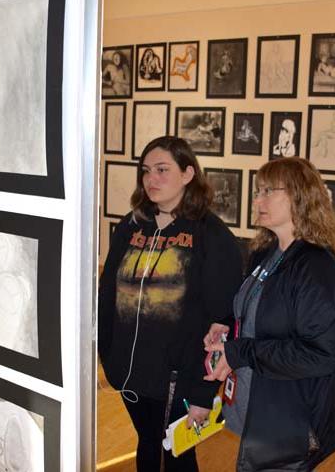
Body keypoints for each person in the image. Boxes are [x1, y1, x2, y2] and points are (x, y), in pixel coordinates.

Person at [99, 136, 243, 471]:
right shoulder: (131, 225)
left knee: (177, 456)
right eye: (147, 171)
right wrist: (108, 353)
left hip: (180, 377)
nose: (152, 179)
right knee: (148, 444)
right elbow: (108, 293)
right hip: (131, 372)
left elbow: (222, 320)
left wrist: (204, 392)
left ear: (188, 174)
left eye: (163, 170)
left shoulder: (211, 234)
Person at [203, 157, 335, 471]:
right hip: (259, 404)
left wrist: (240, 351)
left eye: (269, 191)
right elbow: (260, 313)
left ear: (299, 196)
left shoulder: (317, 268)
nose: (257, 199)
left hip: (289, 423)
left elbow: (320, 355)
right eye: (259, 191)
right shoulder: (266, 252)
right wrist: (228, 327)